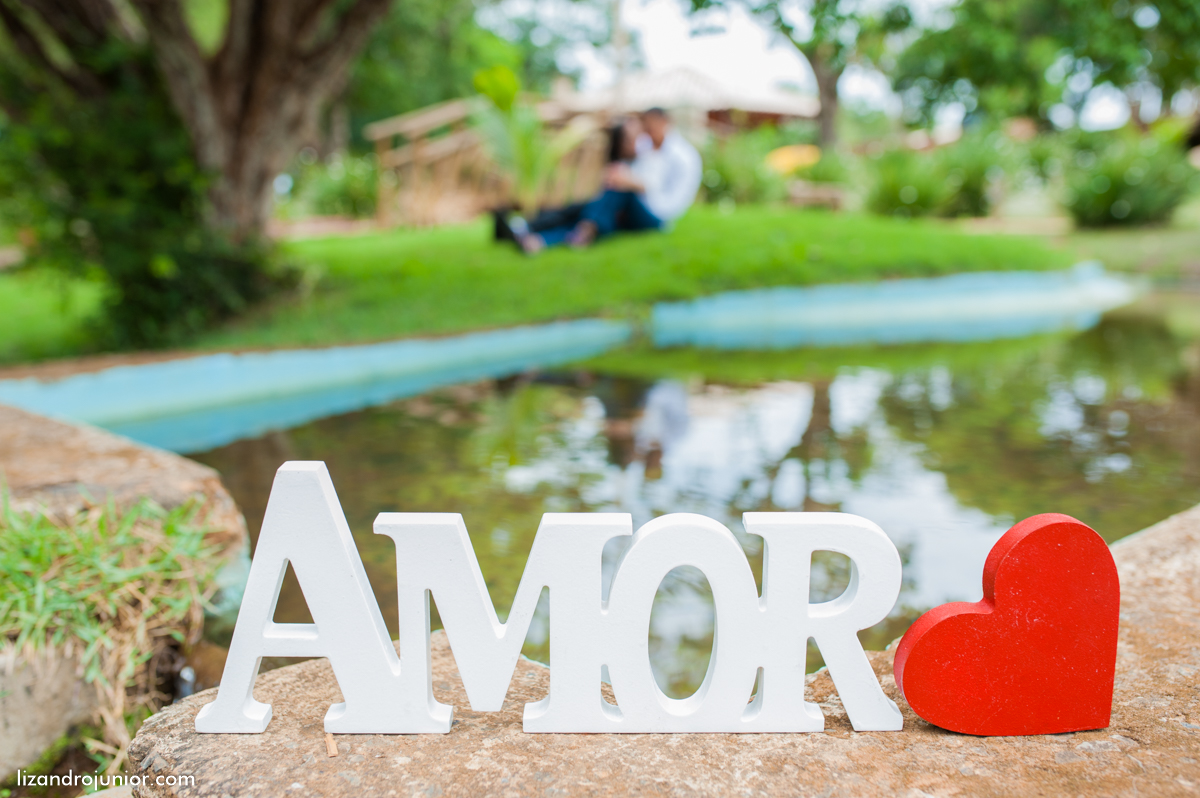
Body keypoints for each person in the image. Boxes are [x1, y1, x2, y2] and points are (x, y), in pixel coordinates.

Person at [505, 108, 702, 254]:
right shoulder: (649, 148)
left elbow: (661, 192)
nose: (646, 132)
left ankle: (570, 230)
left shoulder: (681, 156)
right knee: (600, 217)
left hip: (659, 214)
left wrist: (627, 181)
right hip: (637, 207)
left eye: (649, 127)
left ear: (663, 123)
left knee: (615, 194)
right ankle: (539, 241)